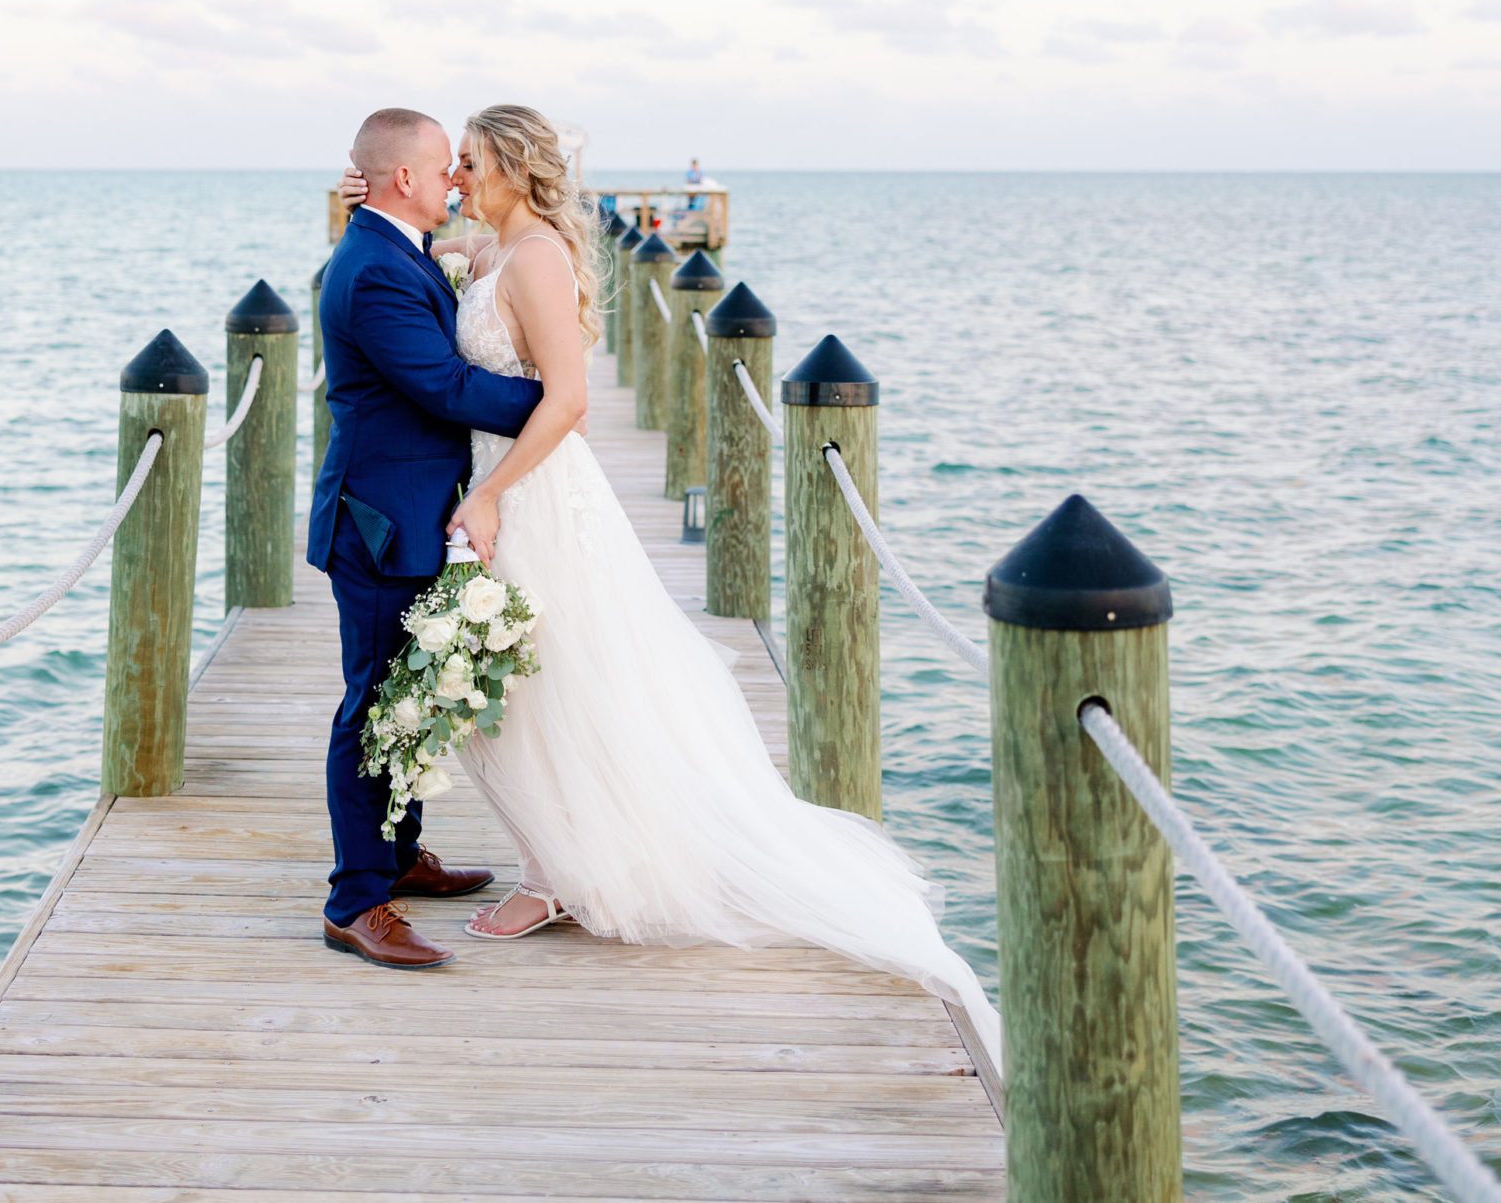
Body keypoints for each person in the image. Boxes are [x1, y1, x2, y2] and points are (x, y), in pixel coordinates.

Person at [339, 106, 1003, 1067]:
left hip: (520, 489)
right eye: (450, 166)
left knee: (557, 673)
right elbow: (424, 323)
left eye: (470, 163)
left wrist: (491, 488)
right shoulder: (482, 253)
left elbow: (565, 398)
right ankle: (552, 861)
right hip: (487, 487)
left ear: (513, 171)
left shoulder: (532, 260)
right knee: (519, 685)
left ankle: (563, 872)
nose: (456, 178)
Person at [308, 108, 546, 969]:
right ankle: (355, 898)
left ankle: (400, 852)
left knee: (404, 692)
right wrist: (556, 404)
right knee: (370, 703)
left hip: (411, 506)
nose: (455, 177)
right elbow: (445, 386)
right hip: (378, 519)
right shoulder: (373, 269)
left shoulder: (397, 247)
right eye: (444, 164)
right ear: (402, 178)